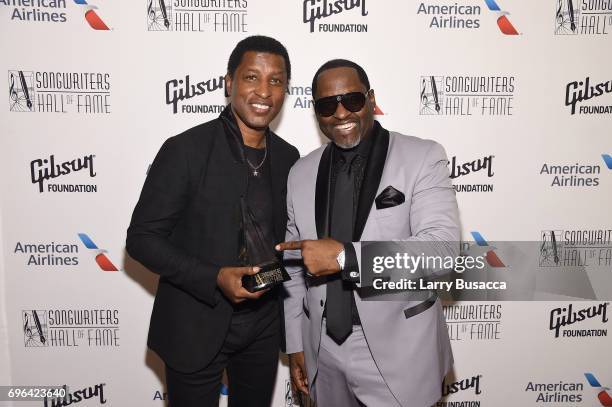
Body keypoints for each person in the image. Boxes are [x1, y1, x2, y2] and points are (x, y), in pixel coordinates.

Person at [126, 36, 300, 407]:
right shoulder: (185, 149)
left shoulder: (289, 157)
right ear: (229, 82)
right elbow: (142, 238)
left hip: (265, 325)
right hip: (196, 322)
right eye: (252, 77)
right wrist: (214, 277)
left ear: (286, 89)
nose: (264, 91)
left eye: (276, 80)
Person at [278, 59, 460, 407]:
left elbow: (444, 251)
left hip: (400, 348)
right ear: (316, 112)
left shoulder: (422, 156)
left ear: (371, 99)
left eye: (353, 100)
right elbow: (292, 266)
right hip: (323, 348)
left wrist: (346, 257)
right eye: (327, 105)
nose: (341, 112)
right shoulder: (300, 172)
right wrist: (297, 343)